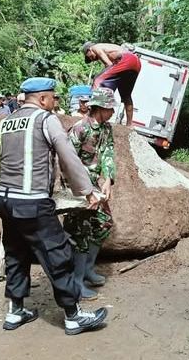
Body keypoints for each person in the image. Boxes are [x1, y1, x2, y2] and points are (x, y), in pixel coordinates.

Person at [0, 77, 108, 335]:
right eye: (53, 98)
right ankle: (73, 316)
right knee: (59, 254)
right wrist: (87, 191)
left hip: (4, 200)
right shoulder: (45, 120)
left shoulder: (5, 123)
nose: (54, 102)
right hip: (32, 203)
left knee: (16, 253)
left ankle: (15, 311)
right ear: (43, 99)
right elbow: (68, 156)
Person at [64, 88, 116, 301]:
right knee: (80, 235)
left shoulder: (106, 129)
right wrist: (82, 193)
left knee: (104, 224)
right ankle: (76, 283)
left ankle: (87, 270)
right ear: (100, 107)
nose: (113, 112)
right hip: (78, 189)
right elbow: (67, 161)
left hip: (94, 186)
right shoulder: (79, 128)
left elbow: (108, 152)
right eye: (110, 108)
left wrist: (109, 180)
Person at [82, 42, 141, 126]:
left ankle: (92, 114)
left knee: (97, 80)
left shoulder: (95, 47)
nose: (92, 60)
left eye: (90, 57)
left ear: (89, 50)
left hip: (126, 60)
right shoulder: (108, 48)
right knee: (126, 96)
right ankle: (129, 125)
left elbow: (108, 65)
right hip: (136, 63)